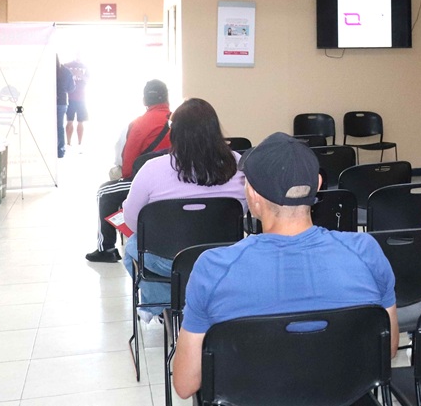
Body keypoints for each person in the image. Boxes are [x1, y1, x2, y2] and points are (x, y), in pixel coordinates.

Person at [171, 132, 398, 399]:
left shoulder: (213, 269)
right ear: (318, 184)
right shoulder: (367, 252)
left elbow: (185, 384)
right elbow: (389, 348)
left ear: (253, 195)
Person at [121, 98, 247, 322]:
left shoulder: (152, 169)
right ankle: (195, 304)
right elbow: (244, 211)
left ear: (174, 133)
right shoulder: (238, 164)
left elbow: (132, 222)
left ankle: (164, 306)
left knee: (132, 246)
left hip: (167, 259)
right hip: (222, 257)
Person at [86, 80, 172, 263]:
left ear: (144, 100)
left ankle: (106, 248)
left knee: (105, 191)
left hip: (146, 180)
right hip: (176, 178)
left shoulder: (139, 124)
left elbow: (128, 166)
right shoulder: (179, 120)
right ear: (167, 98)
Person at [65, 61, 88, 152]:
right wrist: (72, 74)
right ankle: (68, 142)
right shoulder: (67, 66)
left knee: (80, 122)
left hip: (82, 99)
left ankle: (79, 143)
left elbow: (88, 79)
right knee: (69, 121)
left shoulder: (85, 66)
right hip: (69, 98)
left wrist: (80, 75)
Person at [55, 59, 75, 159]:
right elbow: (71, 88)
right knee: (60, 126)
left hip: (48, 102)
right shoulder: (66, 71)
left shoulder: (48, 70)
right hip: (62, 101)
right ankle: (60, 150)